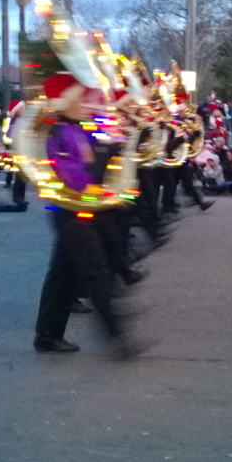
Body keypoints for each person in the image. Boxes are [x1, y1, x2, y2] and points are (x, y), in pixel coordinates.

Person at [33, 73, 147, 358]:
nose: (87, 103)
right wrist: (106, 156)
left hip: (83, 208)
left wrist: (115, 149)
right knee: (95, 271)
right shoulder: (55, 132)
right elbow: (76, 178)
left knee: (62, 273)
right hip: (70, 210)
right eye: (80, 97)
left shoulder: (76, 127)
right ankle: (117, 336)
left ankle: (47, 335)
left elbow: (94, 165)